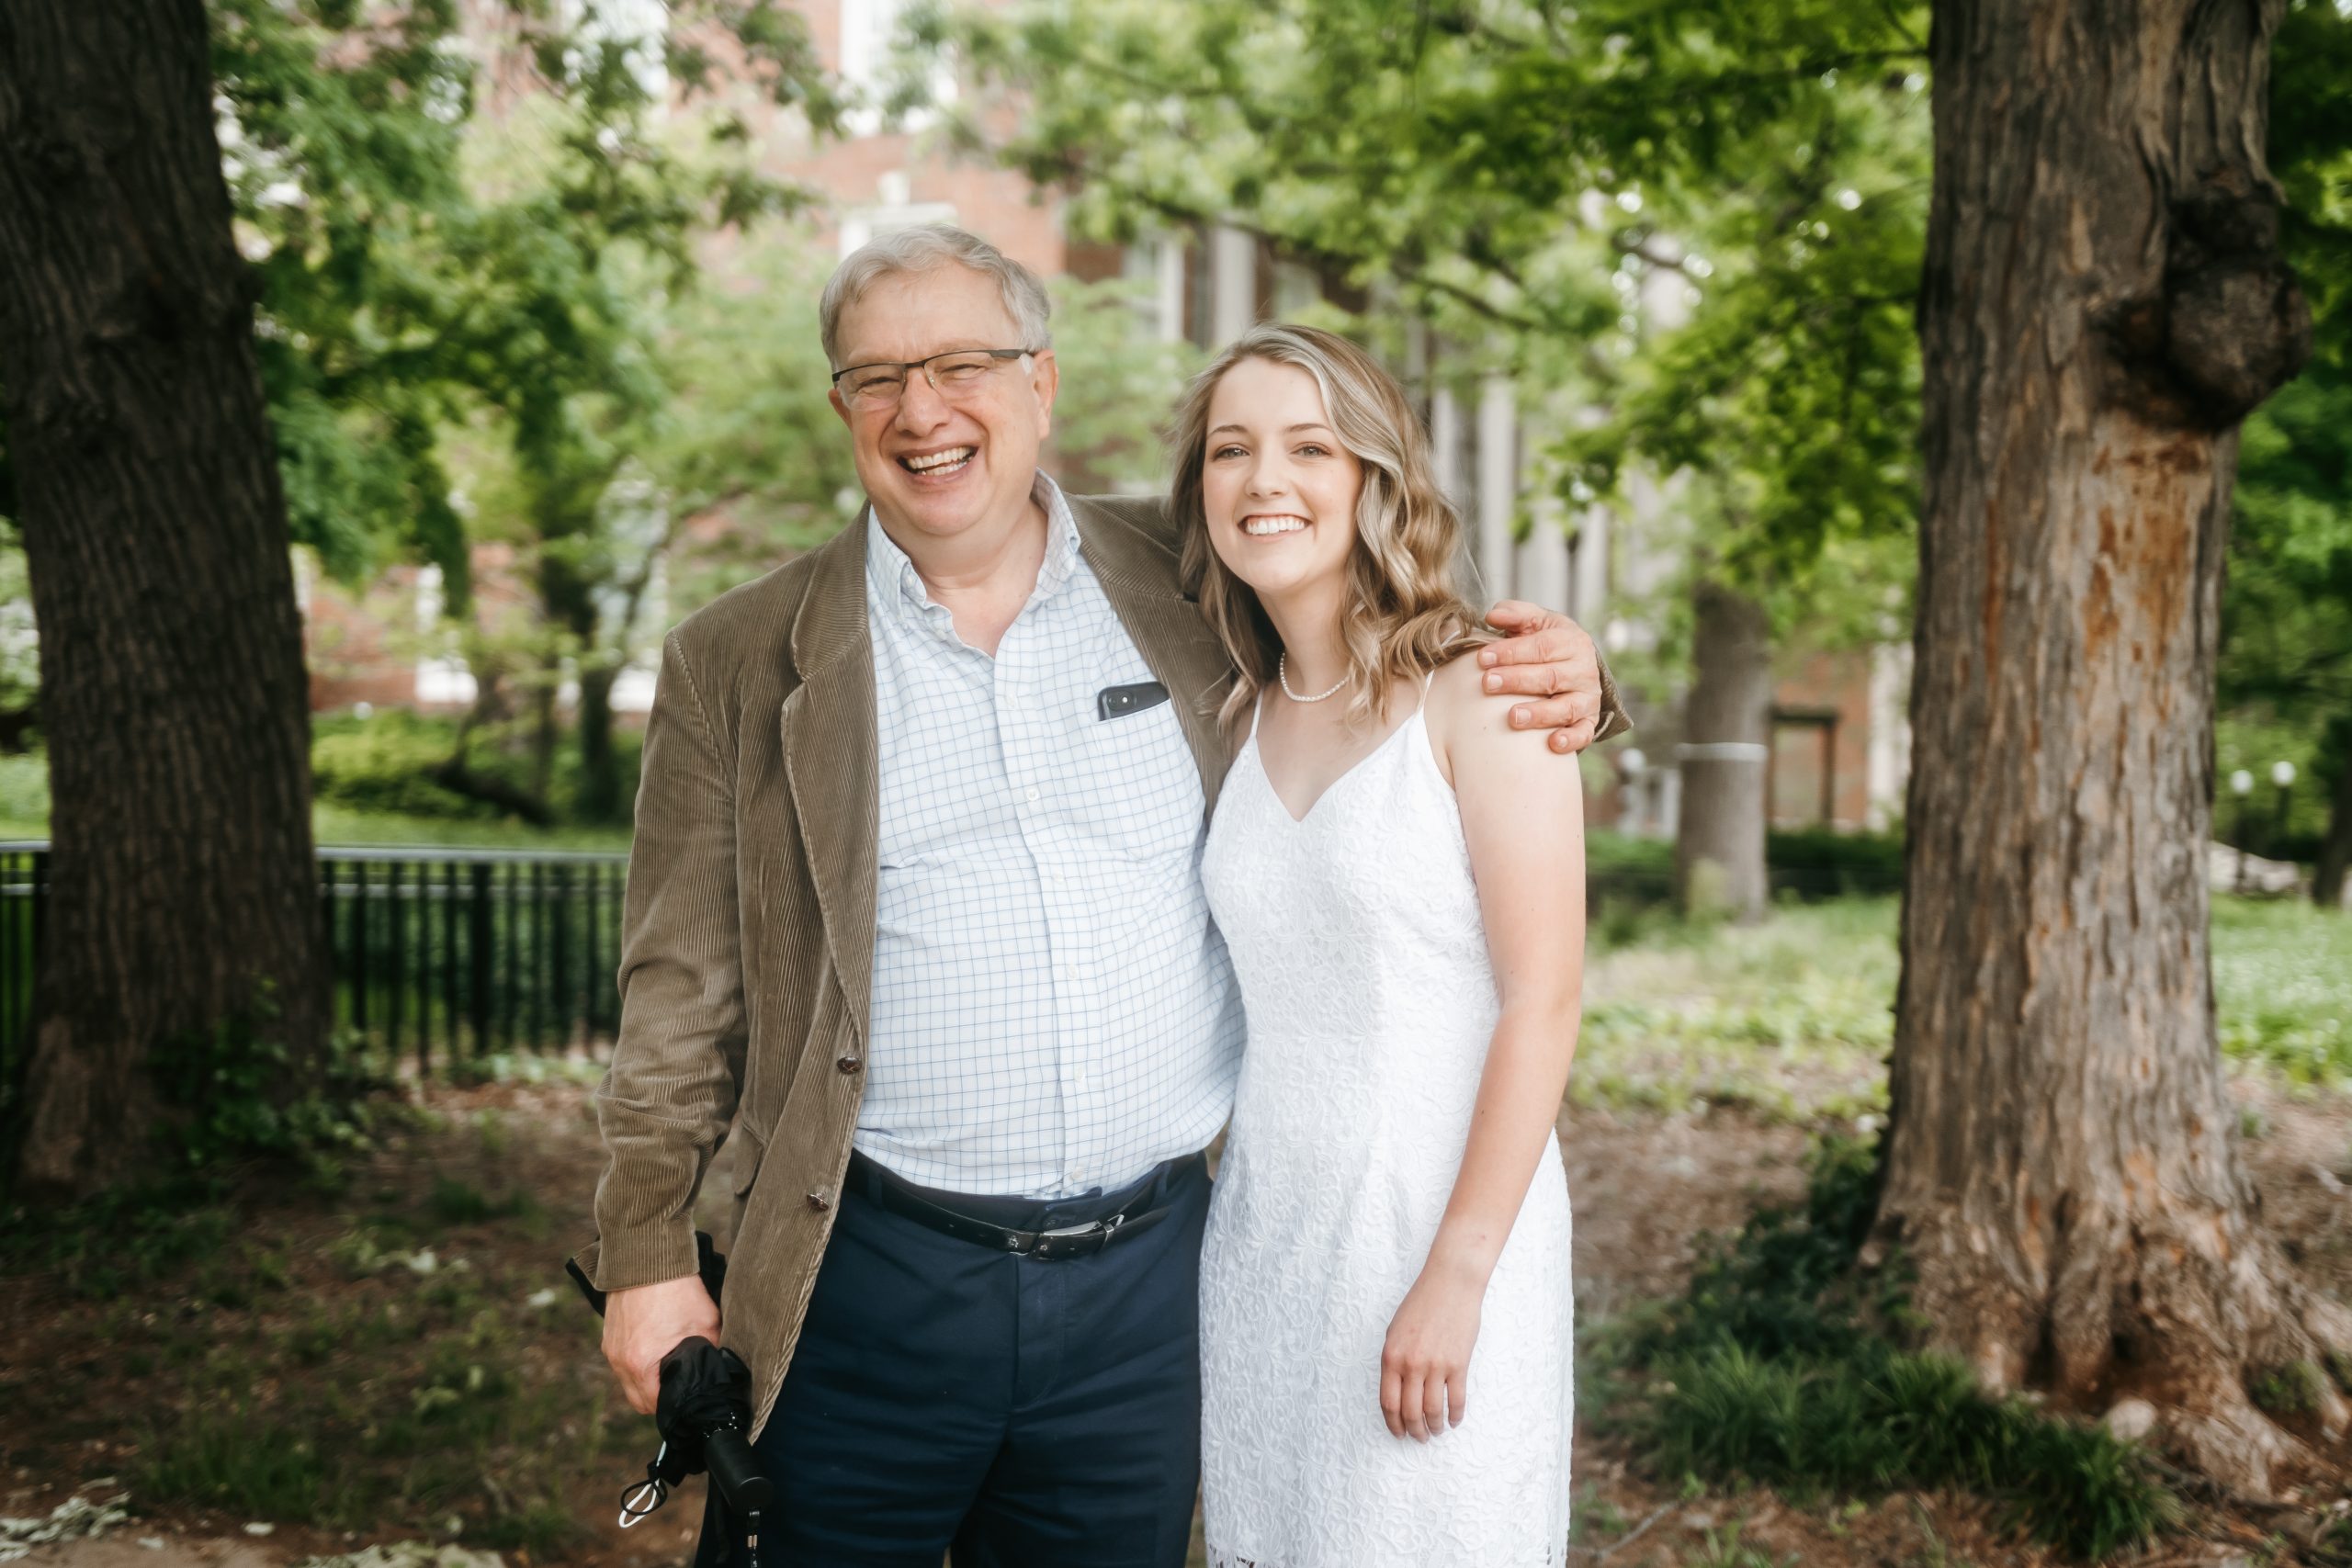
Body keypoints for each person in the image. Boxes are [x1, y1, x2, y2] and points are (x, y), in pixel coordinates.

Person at [574, 225, 1623, 1567]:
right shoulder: (737, 658)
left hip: (1149, 1298)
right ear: (842, 407)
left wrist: (1571, 678)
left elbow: (1380, 640)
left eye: (963, 364)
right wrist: (646, 1249)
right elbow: (678, 992)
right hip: (868, 1281)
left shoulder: (1183, 576)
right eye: (878, 377)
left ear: (1042, 381)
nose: (923, 410)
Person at [1185, 324, 1585, 1567]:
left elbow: (1544, 999)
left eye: (1310, 447)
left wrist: (1458, 1275)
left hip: (1441, 1227)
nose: (1265, 480)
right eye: (1231, 450)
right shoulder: (1238, 709)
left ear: (1374, 476)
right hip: (1265, 1237)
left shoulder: (1486, 690)